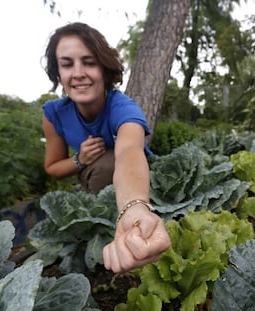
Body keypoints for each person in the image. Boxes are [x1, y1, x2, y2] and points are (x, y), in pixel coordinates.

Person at [41, 22, 170, 273]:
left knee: (109, 162)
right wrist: (79, 159)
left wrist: (134, 206)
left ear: (104, 67)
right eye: (67, 64)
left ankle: (128, 227)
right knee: (100, 166)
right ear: (58, 73)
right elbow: (53, 167)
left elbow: (129, 152)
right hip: (95, 178)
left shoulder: (123, 108)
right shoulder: (53, 113)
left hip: (138, 181)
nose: (78, 73)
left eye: (89, 62)